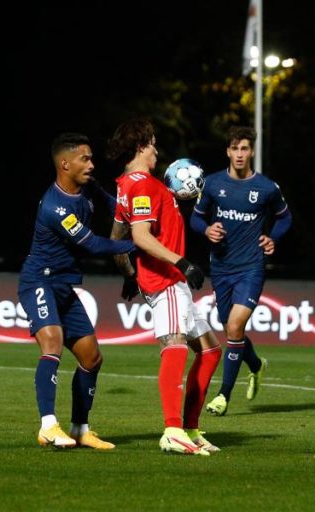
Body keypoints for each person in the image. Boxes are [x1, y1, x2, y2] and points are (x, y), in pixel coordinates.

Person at [107, 118, 222, 456]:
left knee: (210, 350)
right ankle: (173, 429)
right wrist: (182, 263)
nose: (157, 149)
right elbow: (139, 237)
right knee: (174, 345)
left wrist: (129, 274)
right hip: (168, 280)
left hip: (165, 280)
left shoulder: (128, 185)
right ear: (141, 145)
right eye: (153, 142)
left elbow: (117, 238)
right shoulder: (141, 184)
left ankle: (189, 429)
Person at [18, 132, 135, 449]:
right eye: (85, 158)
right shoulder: (56, 207)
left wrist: (142, 217)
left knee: (92, 357)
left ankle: (80, 429)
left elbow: (117, 209)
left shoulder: (88, 188)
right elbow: (94, 244)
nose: (92, 164)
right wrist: (140, 244)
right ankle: (48, 426)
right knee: (52, 342)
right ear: (65, 163)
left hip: (65, 285)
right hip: (39, 281)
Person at [191, 126, 292, 417]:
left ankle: (223, 395)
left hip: (251, 268)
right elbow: (196, 220)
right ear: (227, 151)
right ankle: (257, 365)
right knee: (230, 328)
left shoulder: (267, 188)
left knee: (234, 328)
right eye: (234, 148)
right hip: (221, 269)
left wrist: (273, 237)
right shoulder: (211, 184)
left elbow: (285, 218)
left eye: (244, 148)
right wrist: (207, 229)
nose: (239, 154)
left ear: (251, 152)